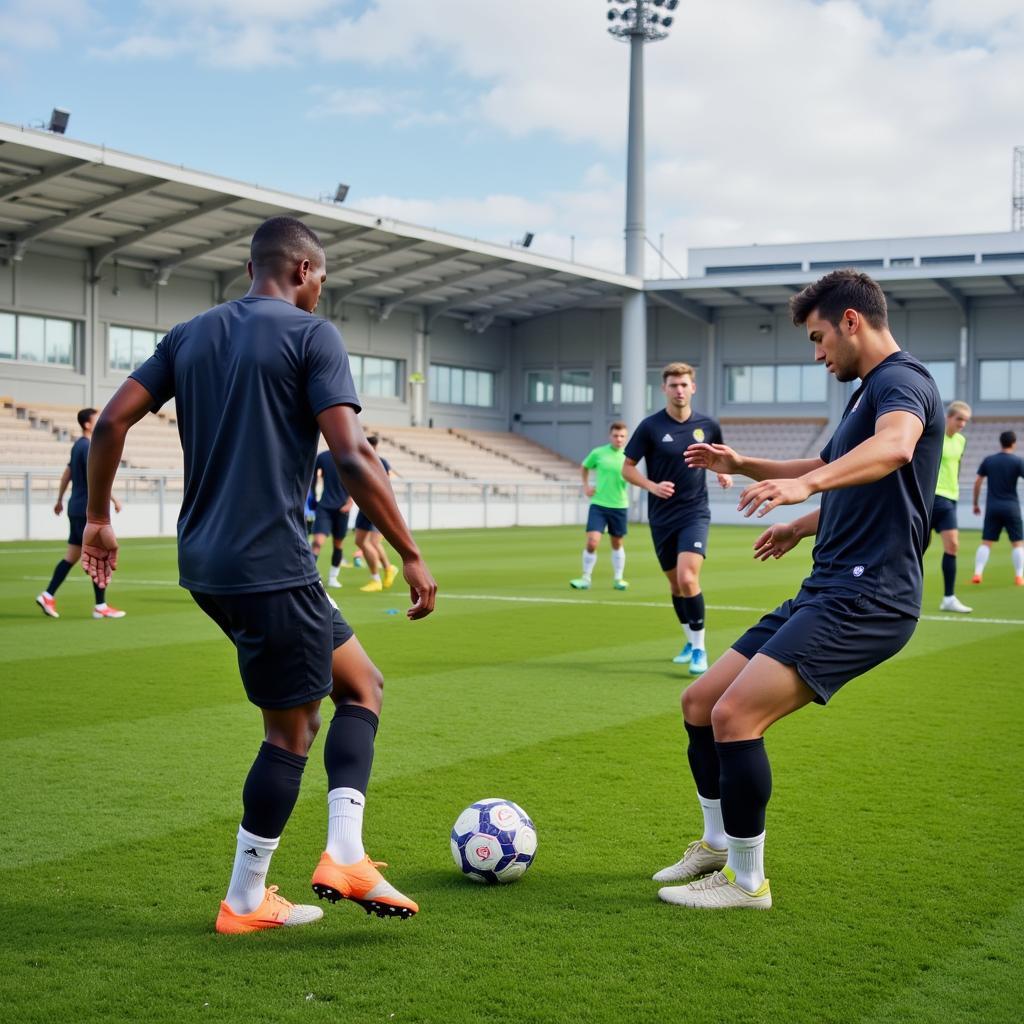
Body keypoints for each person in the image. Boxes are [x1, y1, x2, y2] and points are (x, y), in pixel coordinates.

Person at [81, 216, 437, 935]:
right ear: (305, 270)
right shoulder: (313, 336)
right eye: (323, 284)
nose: (319, 297)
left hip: (207, 564)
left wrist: (96, 518)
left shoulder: (188, 336)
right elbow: (352, 454)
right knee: (293, 731)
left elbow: (111, 423)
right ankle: (248, 901)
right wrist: (409, 551)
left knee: (359, 683)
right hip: (270, 564)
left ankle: (344, 850)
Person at [655, 268, 942, 910]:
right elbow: (832, 470)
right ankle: (715, 843)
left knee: (736, 715)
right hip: (828, 585)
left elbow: (895, 452)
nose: (817, 355)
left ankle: (746, 882)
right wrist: (773, 491)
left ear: (851, 321)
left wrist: (808, 491)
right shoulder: (868, 392)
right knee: (701, 702)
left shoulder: (902, 382)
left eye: (818, 339)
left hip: (870, 598)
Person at [622, 363, 732, 675]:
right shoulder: (650, 427)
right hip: (661, 517)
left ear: (693, 387)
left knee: (687, 578)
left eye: (684, 385)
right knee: (675, 585)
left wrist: (722, 474)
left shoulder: (708, 425)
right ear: (664, 389)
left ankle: (700, 648)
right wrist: (651, 486)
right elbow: (627, 468)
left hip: (694, 512)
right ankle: (688, 639)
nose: (679, 390)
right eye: (673, 385)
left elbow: (720, 458)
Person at [35, 407, 125, 620]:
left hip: (75, 507)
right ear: (87, 424)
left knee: (72, 556)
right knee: (99, 552)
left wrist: (59, 500)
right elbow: (97, 478)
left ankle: (48, 595)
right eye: (97, 419)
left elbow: (68, 473)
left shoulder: (77, 446)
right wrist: (114, 499)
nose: (100, 421)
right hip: (87, 509)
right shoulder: (89, 447)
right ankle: (100, 605)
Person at [570, 421, 630, 591]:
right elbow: (585, 466)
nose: (619, 439)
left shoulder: (629, 455)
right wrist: (586, 486)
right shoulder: (598, 453)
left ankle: (618, 578)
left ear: (626, 438)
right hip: (599, 504)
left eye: (622, 436)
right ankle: (586, 578)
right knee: (592, 541)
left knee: (617, 543)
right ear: (610, 436)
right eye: (616, 435)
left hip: (619, 505)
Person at [930, 400, 972, 613]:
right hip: (929, 497)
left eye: (965, 421)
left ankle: (948, 598)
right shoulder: (934, 436)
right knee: (916, 548)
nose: (962, 424)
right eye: (959, 419)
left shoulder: (961, 441)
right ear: (949, 417)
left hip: (949, 499)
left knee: (953, 545)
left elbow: (956, 466)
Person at [971, 430, 1024, 586]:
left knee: (986, 542)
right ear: (1014, 443)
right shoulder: (1017, 461)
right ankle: (1019, 576)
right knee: (1017, 543)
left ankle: (977, 574)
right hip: (1012, 507)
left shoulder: (989, 460)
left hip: (992, 507)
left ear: (1000, 442)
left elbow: (977, 482)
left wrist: (975, 503)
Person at [355, 434, 399, 593]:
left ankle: (376, 579)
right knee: (366, 542)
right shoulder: (366, 460)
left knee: (366, 542)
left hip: (373, 504)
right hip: (368, 504)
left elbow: (384, 484)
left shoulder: (376, 461)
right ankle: (388, 569)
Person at [310, 447, 354, 588]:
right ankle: (309, 576)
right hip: (324, 507)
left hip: (343, 508)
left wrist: (350, 501)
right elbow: (312, 478)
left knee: (338, 544)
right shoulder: (322, 457)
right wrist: (313, 498)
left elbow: (356, 479)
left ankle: (333, 578)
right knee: (317, 542)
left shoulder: (349, 455)